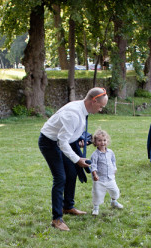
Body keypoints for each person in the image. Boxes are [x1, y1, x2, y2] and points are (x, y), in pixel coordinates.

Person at [39, 87, 109, 231]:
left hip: (64, 141)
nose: (101, 109)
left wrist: (82, 139)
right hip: (50, 142)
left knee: (71, 173)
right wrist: (77, 159)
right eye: (101, 106)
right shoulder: (73, 113)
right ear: (94, 100)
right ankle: (56, 219)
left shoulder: (82, 110)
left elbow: (72, 133)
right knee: (60, 178)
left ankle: (67, 207)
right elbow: (62, 142)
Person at [89, 128, 123, 216]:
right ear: (95, 142)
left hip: (110, 178)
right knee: (97, 194)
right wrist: (95, 174)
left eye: (104, 140)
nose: (102, 142)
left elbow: (113, 161)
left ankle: (114, 201)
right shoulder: (95, 155)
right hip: (99, 179)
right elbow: (93, 166)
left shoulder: (110, 152)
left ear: (107, 141)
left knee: (115, 191)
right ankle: (96, 207)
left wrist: (114, 168)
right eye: (99, 140)